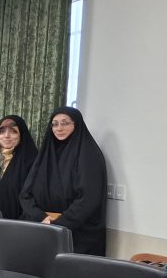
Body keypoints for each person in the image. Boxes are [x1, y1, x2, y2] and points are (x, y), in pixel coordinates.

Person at [19, 106, 107, 255]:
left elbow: (88, 199)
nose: (59, 128)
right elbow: (25, 194)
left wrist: (59, 224)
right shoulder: (46, 155)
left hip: (77, 233)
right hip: (41, 227)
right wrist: (41, 217)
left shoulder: (89, 155)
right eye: (54, 124)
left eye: (65, 123)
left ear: (76, 124)